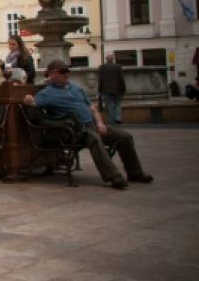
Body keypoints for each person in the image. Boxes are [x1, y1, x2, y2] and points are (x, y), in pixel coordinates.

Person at [24, 60, 153, 190]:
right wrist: (28, 100)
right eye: (63, 71)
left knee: (125, 137)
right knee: (94, 139)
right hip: (75, 131)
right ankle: (113, 176)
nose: (67, 74)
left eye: (68, 70)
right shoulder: (47, 93)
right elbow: (33, 103)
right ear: (53, 74)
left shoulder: (76, 87)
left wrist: (100, 123)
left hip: (93, 126)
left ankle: (135, 173)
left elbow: (92, 108)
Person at [98, 53, 126, 124]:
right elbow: (122, 79)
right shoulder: (118, 67)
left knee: (109, 105)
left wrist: (100, 90)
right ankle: (117, 117)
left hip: (106, 89)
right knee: (117, 104)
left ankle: (112, 121)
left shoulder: (102, 67)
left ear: (106, 59)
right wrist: (123, 88)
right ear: (113, 59)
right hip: (117, 89)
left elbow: (100, 80)